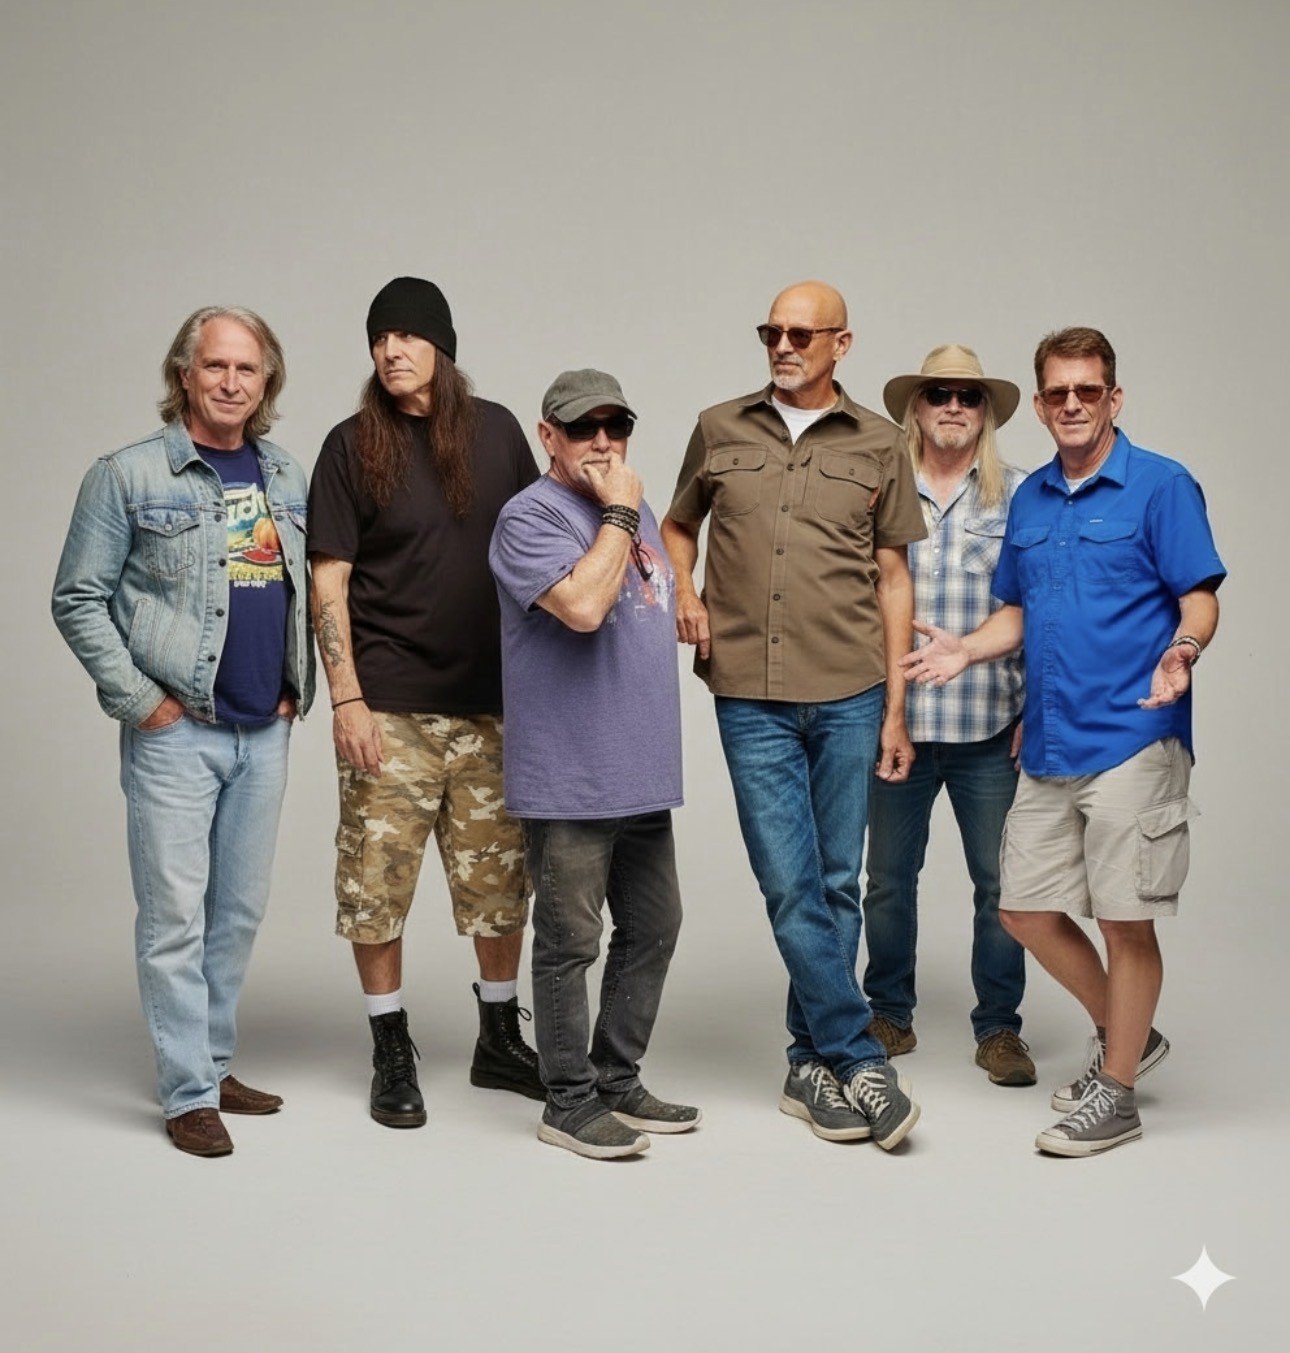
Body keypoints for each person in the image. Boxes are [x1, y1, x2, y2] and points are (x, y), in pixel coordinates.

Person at [903, 327, 1225, 1155]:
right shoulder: (1034, 498)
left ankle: (1115, 1090)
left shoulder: (1161, 485)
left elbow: (1198, 597)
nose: (1073, 404)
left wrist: (1183, 651)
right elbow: (1017, 608)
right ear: (1041, 404)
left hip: (1134, 732)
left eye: (1090, 390)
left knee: (1124, 920)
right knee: (1021, 906)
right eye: (1059, 393)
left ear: (1114, 398)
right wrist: (965, 648)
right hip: (1046, 739)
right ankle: (1129, 1034)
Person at [661, 282, 925, 1149]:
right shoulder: (719, 425)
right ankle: (857, 1057)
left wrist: (895, 707)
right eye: (771, 330)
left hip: (850, 690)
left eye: (801, 333)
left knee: (837, 879)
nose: (783, 344)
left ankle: (808, 1062)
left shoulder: (883, 442)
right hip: (749, 694)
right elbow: (676, 528)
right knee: (790, 882)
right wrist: (685, 594)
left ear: (841, 343)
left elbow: (893, 578)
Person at [52, 306, 312, 1157]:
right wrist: (142, 701)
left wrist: (290, 684)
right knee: (174, 919)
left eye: (248, 369)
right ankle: (187, 1090)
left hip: (260, 733)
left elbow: (281, 587)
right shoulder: (128, 476)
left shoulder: (280, 473)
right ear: (185, 375)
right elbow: (76, 598)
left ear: (265, 381)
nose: (232, 382)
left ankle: (214, 1059)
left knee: (235, 912)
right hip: (175, 733)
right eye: (216, 367)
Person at [308, 277, 542, 1129]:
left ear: (443, 346)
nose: (392, 350)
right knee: (375, 887)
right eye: (380, 339)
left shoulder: (500, 433)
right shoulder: (349, 445)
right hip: (390, 707)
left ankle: (496, 1038)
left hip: (493, 708)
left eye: (409, 336)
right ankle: (390, 1045)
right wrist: (347, 698)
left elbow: (541, 543)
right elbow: (327, 582)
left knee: (500, 884)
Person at [490, 369, 697, 1160]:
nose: (603, 441)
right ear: (549, 435)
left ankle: (616, 1077)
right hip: (572, 773)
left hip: (640, 768)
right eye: (583, 428)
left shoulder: (636, 508)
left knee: (654, 924)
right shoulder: (529, 515)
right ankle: (567, 1099)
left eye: (615, 426)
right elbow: (580, 608)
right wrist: (616, 509)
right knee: (570, 938)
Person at [862, 345, 1034, 1086]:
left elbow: (1038, 610)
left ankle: (999, 1028)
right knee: (887, 881)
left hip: (988, 727)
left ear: (985, 410)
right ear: (918, 406)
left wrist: (1042, 711)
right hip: (895, 725)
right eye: (940, 393)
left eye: (969, 394)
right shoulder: (877, 489)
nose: (955, 405)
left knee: (1003, 887)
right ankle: (888, 1013)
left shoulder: (1021, 495)